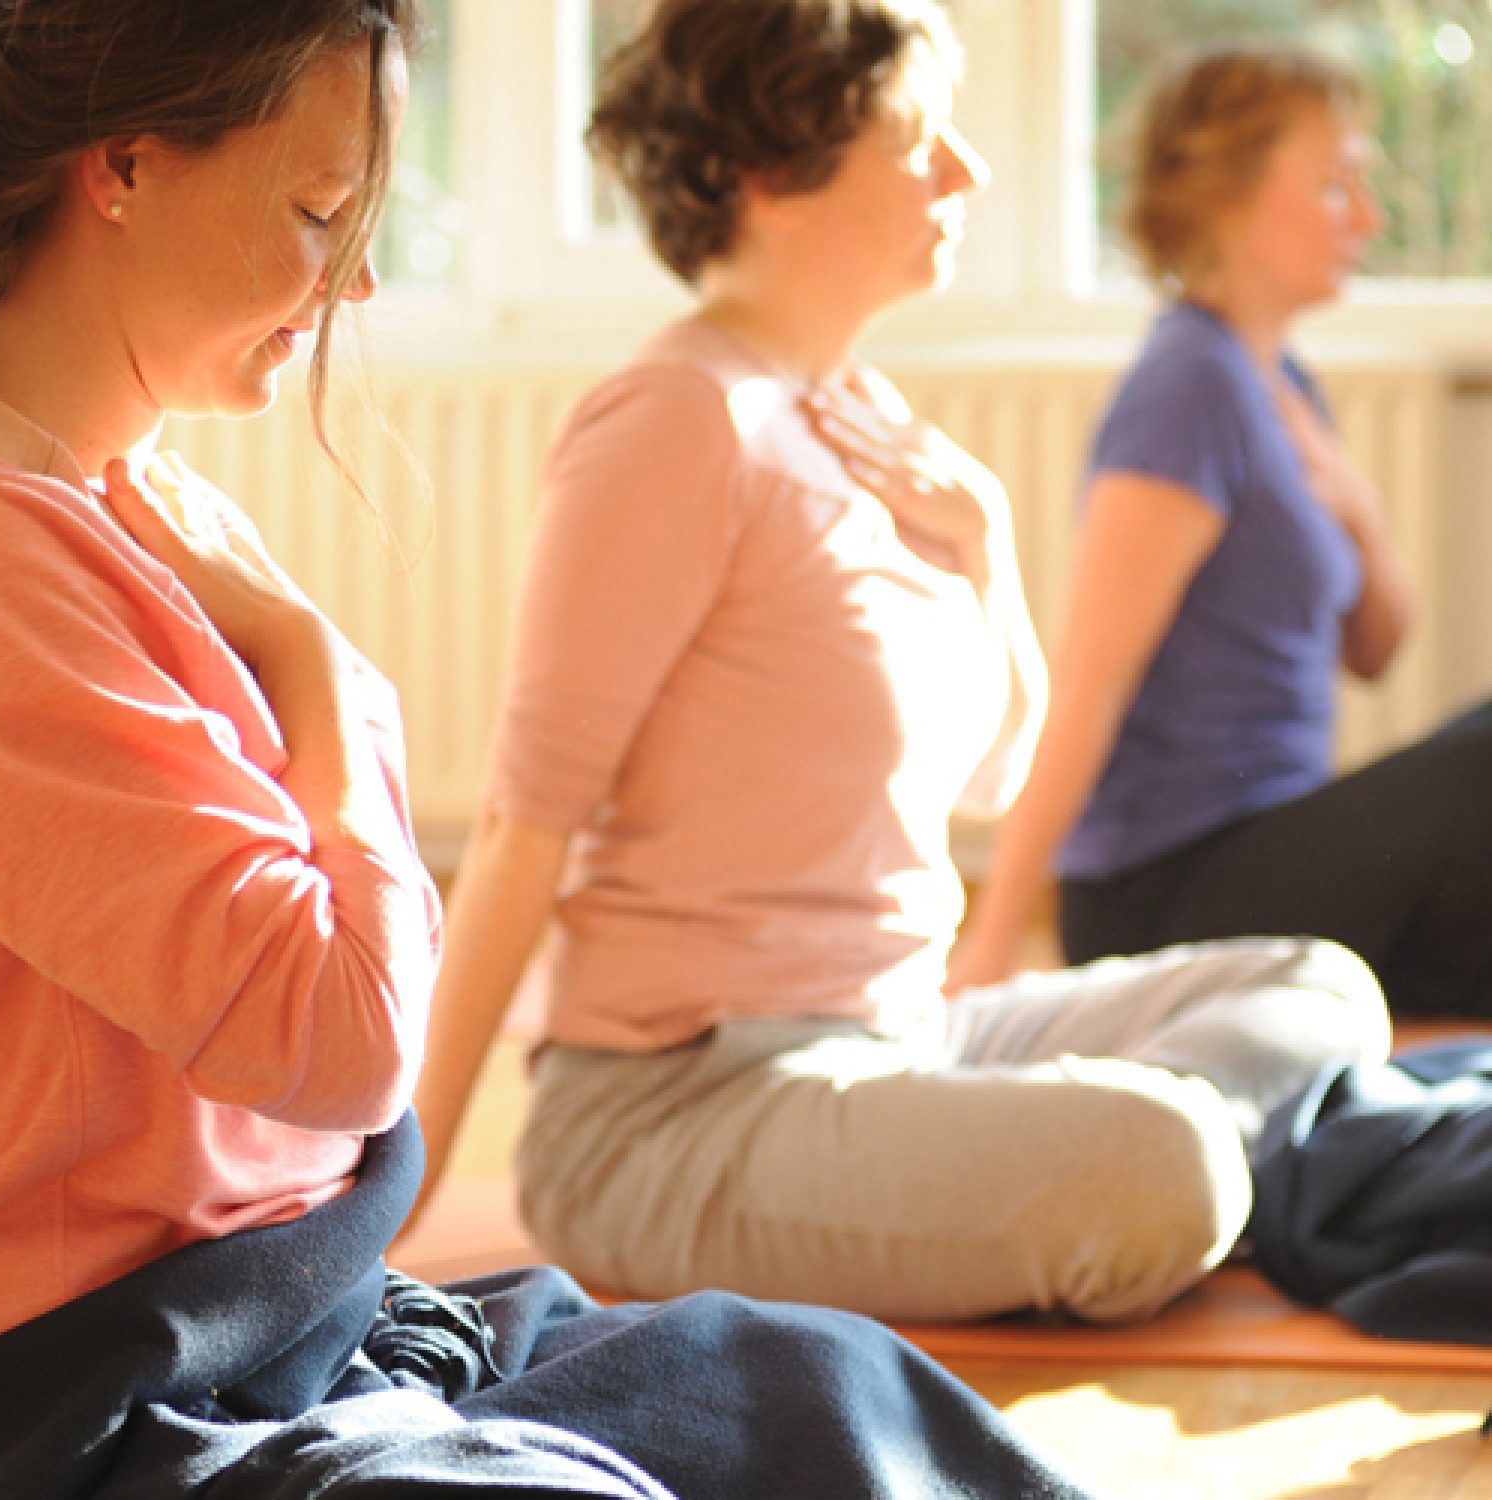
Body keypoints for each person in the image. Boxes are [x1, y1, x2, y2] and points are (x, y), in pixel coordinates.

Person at [0, 3, 1109, 1497]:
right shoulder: (20, 573)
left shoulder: (158, 510)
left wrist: (990, 553)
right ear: (122, 165)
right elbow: (342, 1041)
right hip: (126, 1378)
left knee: (836, 1387)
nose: (362, 276)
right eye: (322, 211)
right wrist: (324, 671)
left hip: (315, 1309)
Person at [409, 0, 1390, 1327]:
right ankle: (1149, 1161)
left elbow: (991, 777)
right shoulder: (673, 423)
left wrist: (985, 550)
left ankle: (1042, 1162)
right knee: (1159, 1165)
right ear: (774, 176)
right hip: (680, 1108)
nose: (966, 173)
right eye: (921, 139)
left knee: (1318, 988)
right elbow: (526, 824)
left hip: (905, 1032)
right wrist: (397, 1192)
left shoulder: (860, 424)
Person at [951, 43, 1492, 1019]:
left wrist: (1357, 505)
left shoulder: (1280, 383)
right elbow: (1089, 683)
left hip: (1268, 848)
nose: (1367, 218)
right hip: (1161, 894)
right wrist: (992, 951)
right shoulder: (1187, 387)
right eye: (1336, 186)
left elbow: (1378, 647)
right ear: (1228, 198)